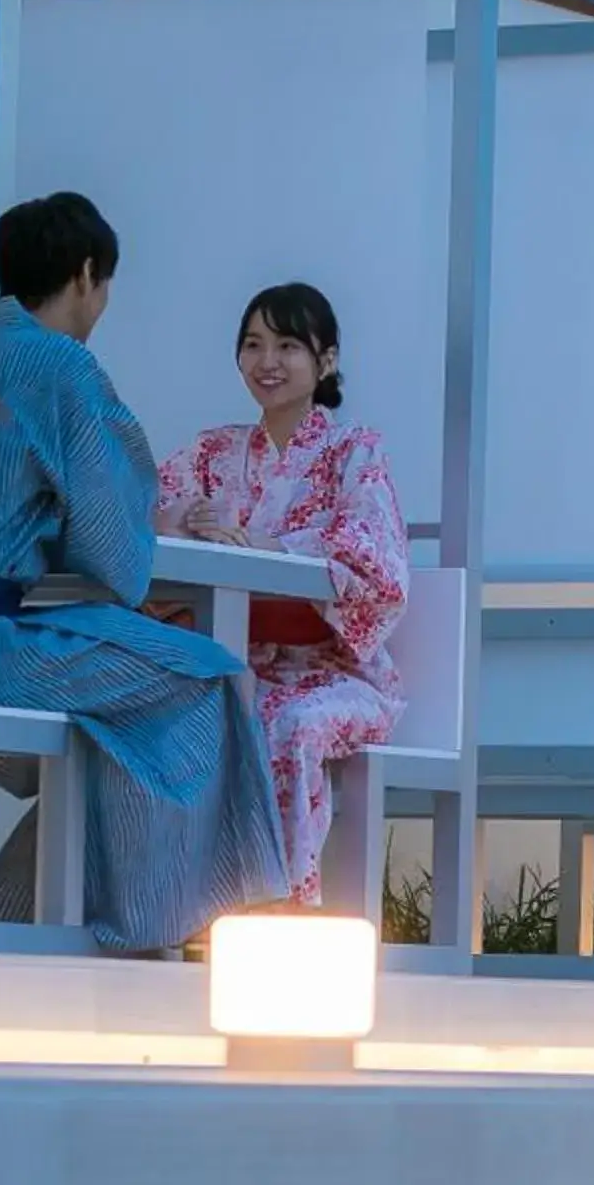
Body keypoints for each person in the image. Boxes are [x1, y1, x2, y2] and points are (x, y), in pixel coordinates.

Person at [0, 194, 289, 949]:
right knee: (206, 679)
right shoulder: (62, 367)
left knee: (120, 712)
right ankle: (150, 923)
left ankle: (14, 914)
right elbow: (114, 558)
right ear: (88, 274)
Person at [153, 283, 409, 906]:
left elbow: (371, 558)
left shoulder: (355, 452)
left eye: (289, 345)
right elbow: (148, 511)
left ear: (326, 361)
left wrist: (265, 548)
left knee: (290, 724)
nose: (268, 361)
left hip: (334, 672)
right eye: (253, 344)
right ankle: (182, 905)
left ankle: (283, 902)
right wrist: (188, 520)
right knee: (174, 712)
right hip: (235, 660)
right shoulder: (212, 451)